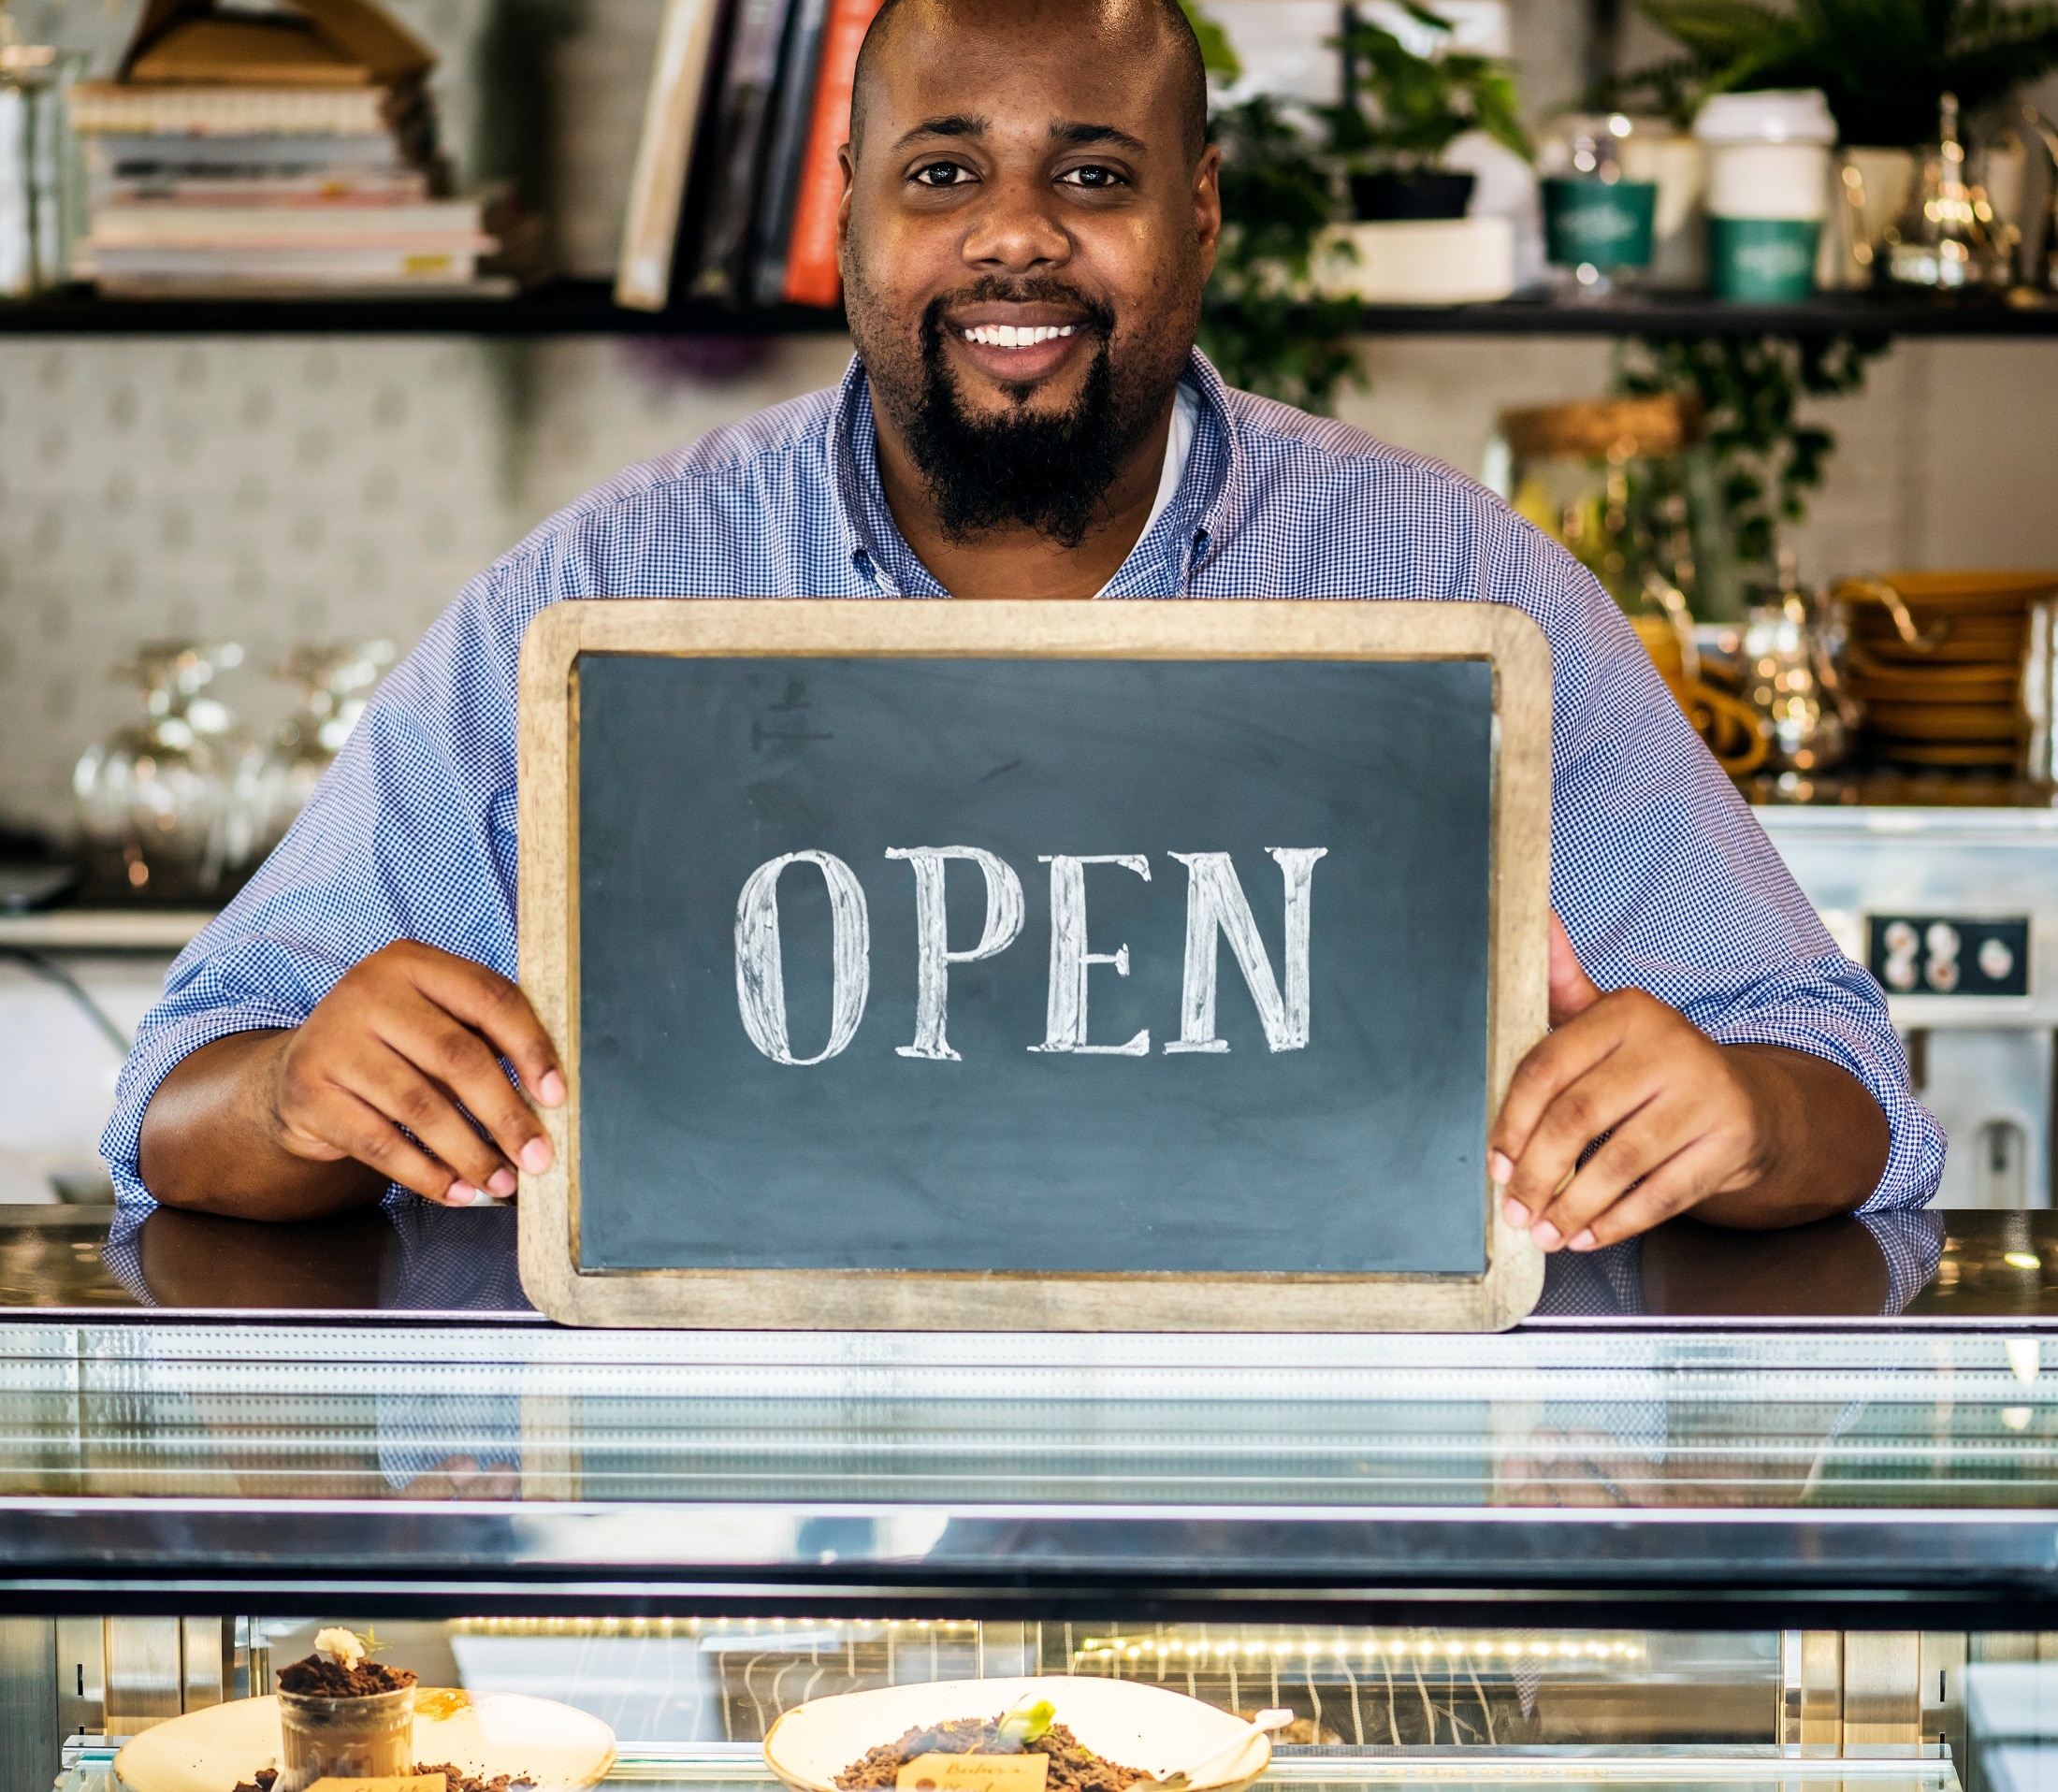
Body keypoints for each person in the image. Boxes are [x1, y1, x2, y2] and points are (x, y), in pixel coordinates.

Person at [109, 0, 1942, 1250]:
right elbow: (176, 1106)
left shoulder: (1462, 598)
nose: (1013, 238)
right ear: (846, 219)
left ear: (1197, 216)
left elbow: (1839, 1086)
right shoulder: (597, 607)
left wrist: (1737, 1115)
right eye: (939, 173)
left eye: (1090, 172)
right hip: (734, 1563)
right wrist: (296, 1088)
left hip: (1319, 1532)